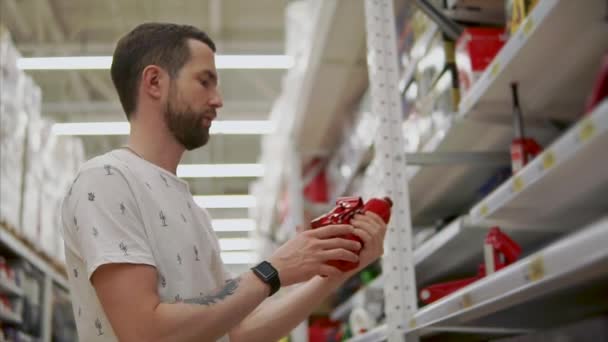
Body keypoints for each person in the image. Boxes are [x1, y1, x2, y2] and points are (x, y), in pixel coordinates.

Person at [60, 23, 387, 342]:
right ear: (155, 81)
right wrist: (272, 270)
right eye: (205, 81)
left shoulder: (193, 211)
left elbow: (237, 330)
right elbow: (146, 331)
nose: (218, 100)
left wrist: (333, 273)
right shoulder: (105, 181)